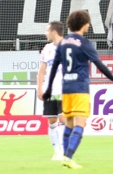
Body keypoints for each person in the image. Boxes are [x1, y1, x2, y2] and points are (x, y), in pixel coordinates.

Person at [43, 9, 113, 169]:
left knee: (69, 124)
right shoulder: (84, 43)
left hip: (65, 89)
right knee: (80, 124)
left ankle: (65, 156)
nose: (88, 25)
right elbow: (100, 65)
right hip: (80, 88)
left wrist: (48, 89)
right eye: (88, 23)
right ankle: (68, 156)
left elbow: (53, 68)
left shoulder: (63, 43)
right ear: (84, 24)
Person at [37, 20, 66, 162]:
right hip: (50, 90)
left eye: (47, 31)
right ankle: (57, 152)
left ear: (54, 32)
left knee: (64, 119)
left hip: (65, 90)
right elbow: (41, 71)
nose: (45, 33)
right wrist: (39, 88)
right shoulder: (47, 49)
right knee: (52, 120)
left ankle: (65, 149)